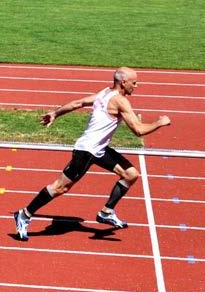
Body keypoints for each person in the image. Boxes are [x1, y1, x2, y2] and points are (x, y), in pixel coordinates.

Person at [13, 67, 171, 240]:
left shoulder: (105, 92)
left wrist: (56, 113)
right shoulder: (120, 101)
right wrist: (160, 123)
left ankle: (106, 212)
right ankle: (24, 214)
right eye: (134, 82)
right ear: (123, 83)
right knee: (60, 187)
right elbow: (138, 130)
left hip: (100, 149)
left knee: (130, 174)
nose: (137, 85)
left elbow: (77, 103)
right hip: (87, 150)